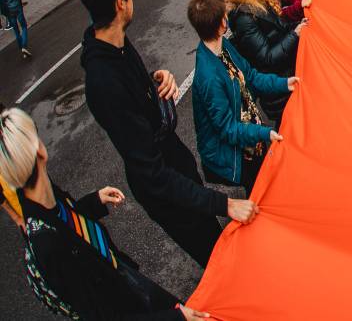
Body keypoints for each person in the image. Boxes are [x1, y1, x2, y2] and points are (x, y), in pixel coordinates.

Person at [78, 0, 258, 268]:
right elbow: (153, 173)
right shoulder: (102, 81)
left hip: (177, 169)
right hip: (167, 192)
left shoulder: (115, 43)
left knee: (216, 242)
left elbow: (133, 92)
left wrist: (155, 79)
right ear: (121, 1)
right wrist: (224, 203)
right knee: (217, 258)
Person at [0, 108, 210, 321]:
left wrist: (94, 201)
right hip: (119, 295)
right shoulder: (47, 245)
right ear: (40, 153)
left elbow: (68, 220)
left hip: (115, 270)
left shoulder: (42, 195)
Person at [188, 0, 293, 196]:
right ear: (222, 24)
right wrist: (264, 133)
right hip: (235, 153)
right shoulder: (208, 77)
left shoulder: (223, 47)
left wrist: (284, 83)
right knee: (260, 192)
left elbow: (251, 76)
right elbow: (227, 129)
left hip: (249, 139)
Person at [223, 0, 301, 124]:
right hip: (278, 88)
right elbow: (266, 58)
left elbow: (280, 28)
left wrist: (298, 25)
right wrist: (295, 34)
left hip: (285, 75)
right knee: (289, 127)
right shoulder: (244, 18)